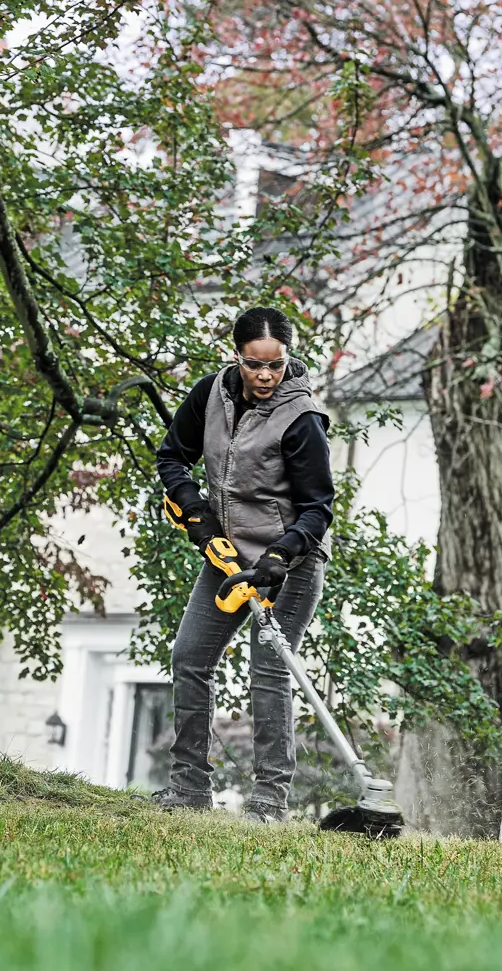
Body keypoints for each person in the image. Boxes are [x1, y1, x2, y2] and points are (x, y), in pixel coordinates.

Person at [152, 306, 334, 823]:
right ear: (236, 357)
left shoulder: (301, 420)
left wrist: (281, 555)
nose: (265, 376)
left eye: (276, 366)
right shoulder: (210, 394)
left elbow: (319, 508)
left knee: (270, 670)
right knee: (189, 656)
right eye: (255, 365)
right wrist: (199, 517)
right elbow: (172, 458)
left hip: (288, 565)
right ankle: (188, 788)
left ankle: (270, 802)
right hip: (228, 556)